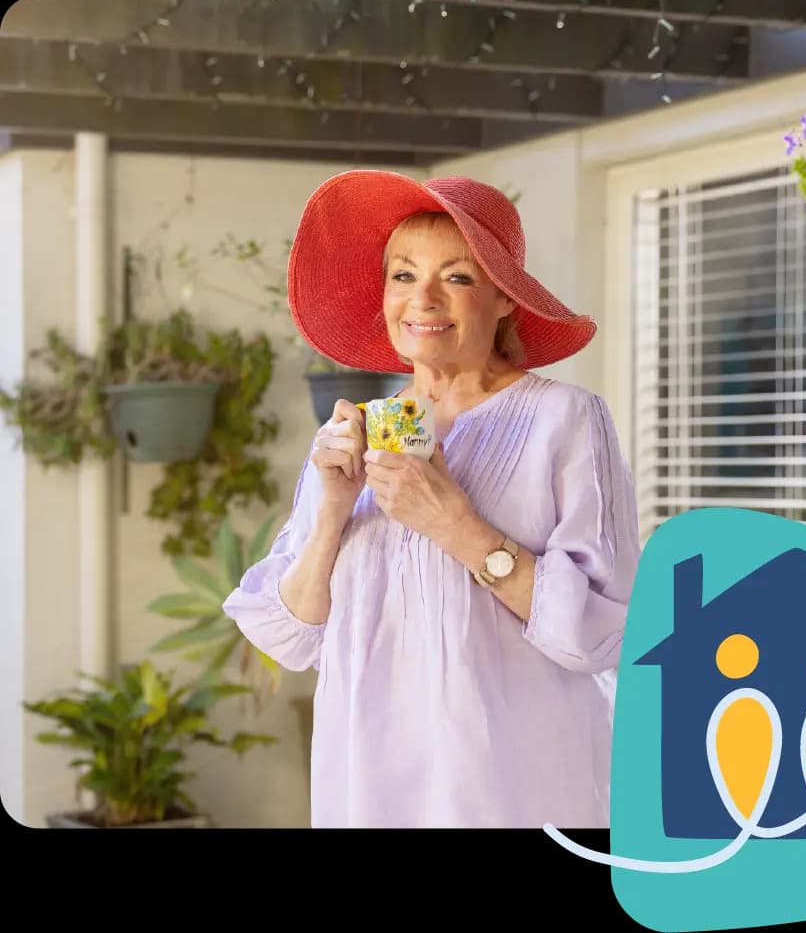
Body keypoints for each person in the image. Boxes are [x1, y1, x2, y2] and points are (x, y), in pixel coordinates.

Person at [222, 171, 641, 828]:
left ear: (506, 299)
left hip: (514, 790)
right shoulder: (356, 432)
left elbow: (606, 633)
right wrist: (333, 510)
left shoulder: (566, 420)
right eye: (402, 274)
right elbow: (292, 637)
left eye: (458, 276)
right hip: (367, 791)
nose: (423, 299)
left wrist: (455, 525)